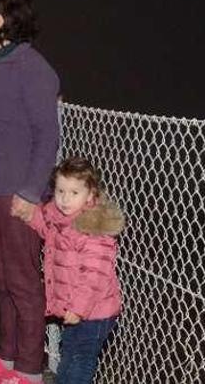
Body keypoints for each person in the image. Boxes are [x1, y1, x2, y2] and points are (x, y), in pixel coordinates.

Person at [0, 0, 60, 384]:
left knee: (22, 279)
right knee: (0, 276)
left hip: (16, 191)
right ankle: (6, 358)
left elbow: (47, 136)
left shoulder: (33, 68)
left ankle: (29, 368)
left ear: (0, 21)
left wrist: (29, 193)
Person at [18, 157, 124, 384]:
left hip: (95, 312)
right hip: (75, 310)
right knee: (70, 356)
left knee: (80, 360)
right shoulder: (59, 218)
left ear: (91, 193)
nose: (65, 199)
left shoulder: (93, 227)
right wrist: (27, 212)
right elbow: (44, 224)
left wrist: (79, 308)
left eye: (74, 193)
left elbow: (94, 277)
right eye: (60, 191)